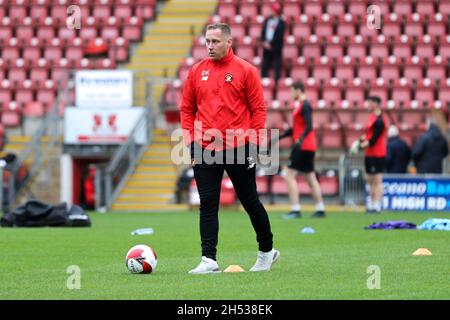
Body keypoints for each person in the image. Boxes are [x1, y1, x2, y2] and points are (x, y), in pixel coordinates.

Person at [180, 23, 279, 274]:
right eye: (207, 41)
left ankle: (267, 252)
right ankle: (208, 259)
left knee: (249, 201)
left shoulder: (246, 71)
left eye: (215, 41)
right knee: (208, 204)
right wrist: (191, 143)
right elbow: (187, 110)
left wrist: (255, 144)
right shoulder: (196, 72)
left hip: (239, 146)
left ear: (228, 42)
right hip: (204, 147)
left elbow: (258, 110)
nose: (210, 46)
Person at [279, 81, 326, 219]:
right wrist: (280, 137)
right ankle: (320, 208)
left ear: (298, 91)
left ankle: (295, 209)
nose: (291, 94)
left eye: (292, 91)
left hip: (302, 146)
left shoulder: (305, 105)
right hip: (308, 146)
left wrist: (300, 139)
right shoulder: (299, 105)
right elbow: (297, 128)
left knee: (289, 175)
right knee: (310, 176)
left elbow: (309, 126)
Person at [358, 96, 388, 214]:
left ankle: (377, 205)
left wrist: (360, 146)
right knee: (370, 180)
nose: (367, 105)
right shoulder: (371, 117)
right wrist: (362, 139)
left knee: (378, 180)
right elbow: (368, 135)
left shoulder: (380, 120)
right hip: (369, 153)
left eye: (369, 103)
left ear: (375, 104)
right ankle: (370, 204)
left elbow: (374, 139)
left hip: (378, 153)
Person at [260, 3, 285, 85]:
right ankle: (263, 81)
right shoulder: (267, 20)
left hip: (276, 47)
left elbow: (280, 36)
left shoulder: (282, 22)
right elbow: (263, 31)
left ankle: (277, 83)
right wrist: (264, 41)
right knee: (265, 64)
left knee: (277, 65)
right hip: (266, 46)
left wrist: (271, 43)